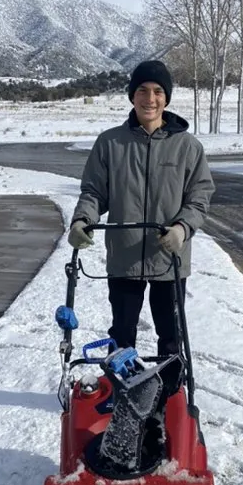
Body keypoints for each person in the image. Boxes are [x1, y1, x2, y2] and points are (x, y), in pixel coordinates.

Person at [68, 59, 215, 357]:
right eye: (143, 90)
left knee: (171, 337)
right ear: (132, 96)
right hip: (125, 257)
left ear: (167, 97)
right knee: (122, 334)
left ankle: (171, 395)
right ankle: (126, 392)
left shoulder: (187, 146)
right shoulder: (110, 143)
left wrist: (182, 228)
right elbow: (94, 191)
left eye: (158, 91)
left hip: (169, 257)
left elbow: (199, 197)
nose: (150, 99)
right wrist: (82, 219)